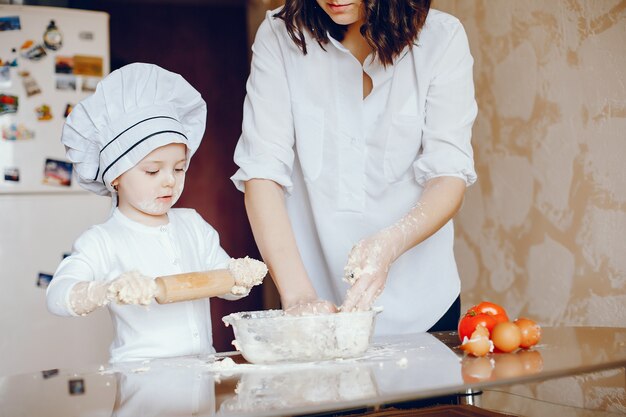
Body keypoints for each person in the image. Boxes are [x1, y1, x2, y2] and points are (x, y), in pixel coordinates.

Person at [231, 0, 477, 335]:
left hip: (426, 308)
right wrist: (299, 296)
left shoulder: (441, 39)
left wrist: (389, 244)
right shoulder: (280, 36)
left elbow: (448, 175)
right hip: (318, 309)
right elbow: (262, 174)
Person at [47, 63, 265, 363]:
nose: (170, 180)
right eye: (152, 170)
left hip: (202, 370)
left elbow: (224, 283)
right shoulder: (103, 240)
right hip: (141, 379)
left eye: (179, 168)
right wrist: (106, 290)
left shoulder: (192, 225)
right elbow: (57, 295)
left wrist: (239, 278)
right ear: (115, 177)